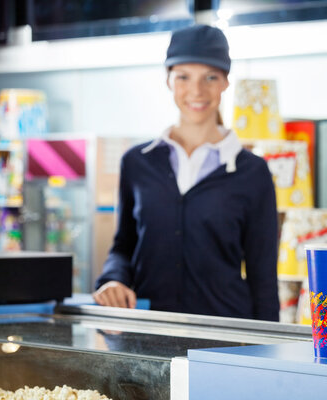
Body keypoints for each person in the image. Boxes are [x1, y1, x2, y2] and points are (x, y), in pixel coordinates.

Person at [92, 24, 280, 322]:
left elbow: (263, 276)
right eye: (183, 77)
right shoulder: (137, 163)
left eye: (210, 77)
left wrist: (267, 355)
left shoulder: (252, 172)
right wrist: (112, 280)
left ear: (225, 83)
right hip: (147, 335)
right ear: (168, 80)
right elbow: (123, 246)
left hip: (224, 339)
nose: (196, 91)